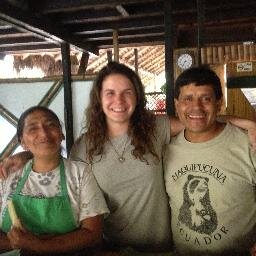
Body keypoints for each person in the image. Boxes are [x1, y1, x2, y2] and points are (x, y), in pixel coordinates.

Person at [1, 62, 256, 254]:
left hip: (162, 248)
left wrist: (246, 122)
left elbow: (198, 119)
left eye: (127, 92)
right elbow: (59, 164)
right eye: (110, 93)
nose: (118, 101)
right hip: (109, 249)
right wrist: (26, 155)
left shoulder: (157, 128)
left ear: (137, 96)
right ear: (99, 99)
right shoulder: (85, 145)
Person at [164, 66, 256, 256]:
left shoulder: (248, 143)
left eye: (205, 99)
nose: (196, 107)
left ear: (219, 104)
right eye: (187, 99)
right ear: (176, 104)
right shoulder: (166, 149)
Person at [0, 106, 109, 255]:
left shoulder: (80, 173)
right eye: (33, 128)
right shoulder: (8, 176)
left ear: (61, 134)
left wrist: (38, 245)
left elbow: (92, 234)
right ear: (22, 142)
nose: (44, 133)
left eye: (50, 125)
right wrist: (17, 243)